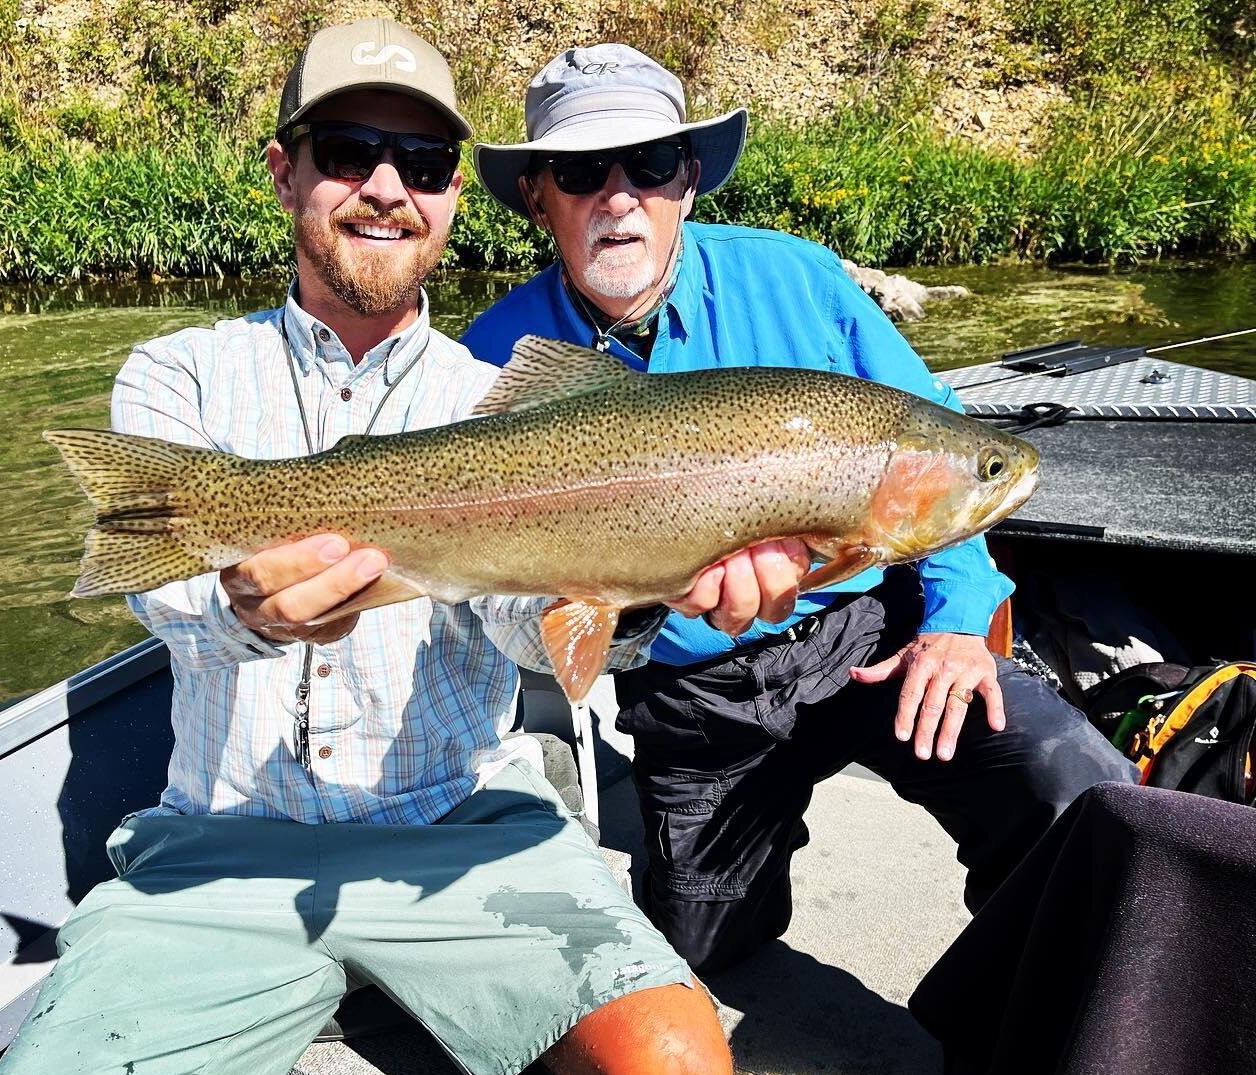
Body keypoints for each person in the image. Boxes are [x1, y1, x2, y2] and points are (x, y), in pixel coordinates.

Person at [0, 22, 735, 1075]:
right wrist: (244, 607)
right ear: (285, 173)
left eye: (425, 165)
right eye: (349, 153)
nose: (388, 185)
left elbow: (523, 623)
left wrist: (648, 584)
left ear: (448, 199)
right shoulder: (178, 376)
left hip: (461, 824)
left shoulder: (490, 400)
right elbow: (161, 599)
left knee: (675, 1059)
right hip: (219, 847)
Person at [462, 44, 1140, 975]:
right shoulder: (487, 355)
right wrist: (640, 610)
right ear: (539, 195)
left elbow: (937, 457)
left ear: (688, 180)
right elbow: (491, 601)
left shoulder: (799, 282)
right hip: (692, 698)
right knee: (695, 963)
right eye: (582, 171)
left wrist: (955, 623)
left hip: (873, 641)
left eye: (650, 164)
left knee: (1076, 792)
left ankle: (1031, 1027)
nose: (619, 195)